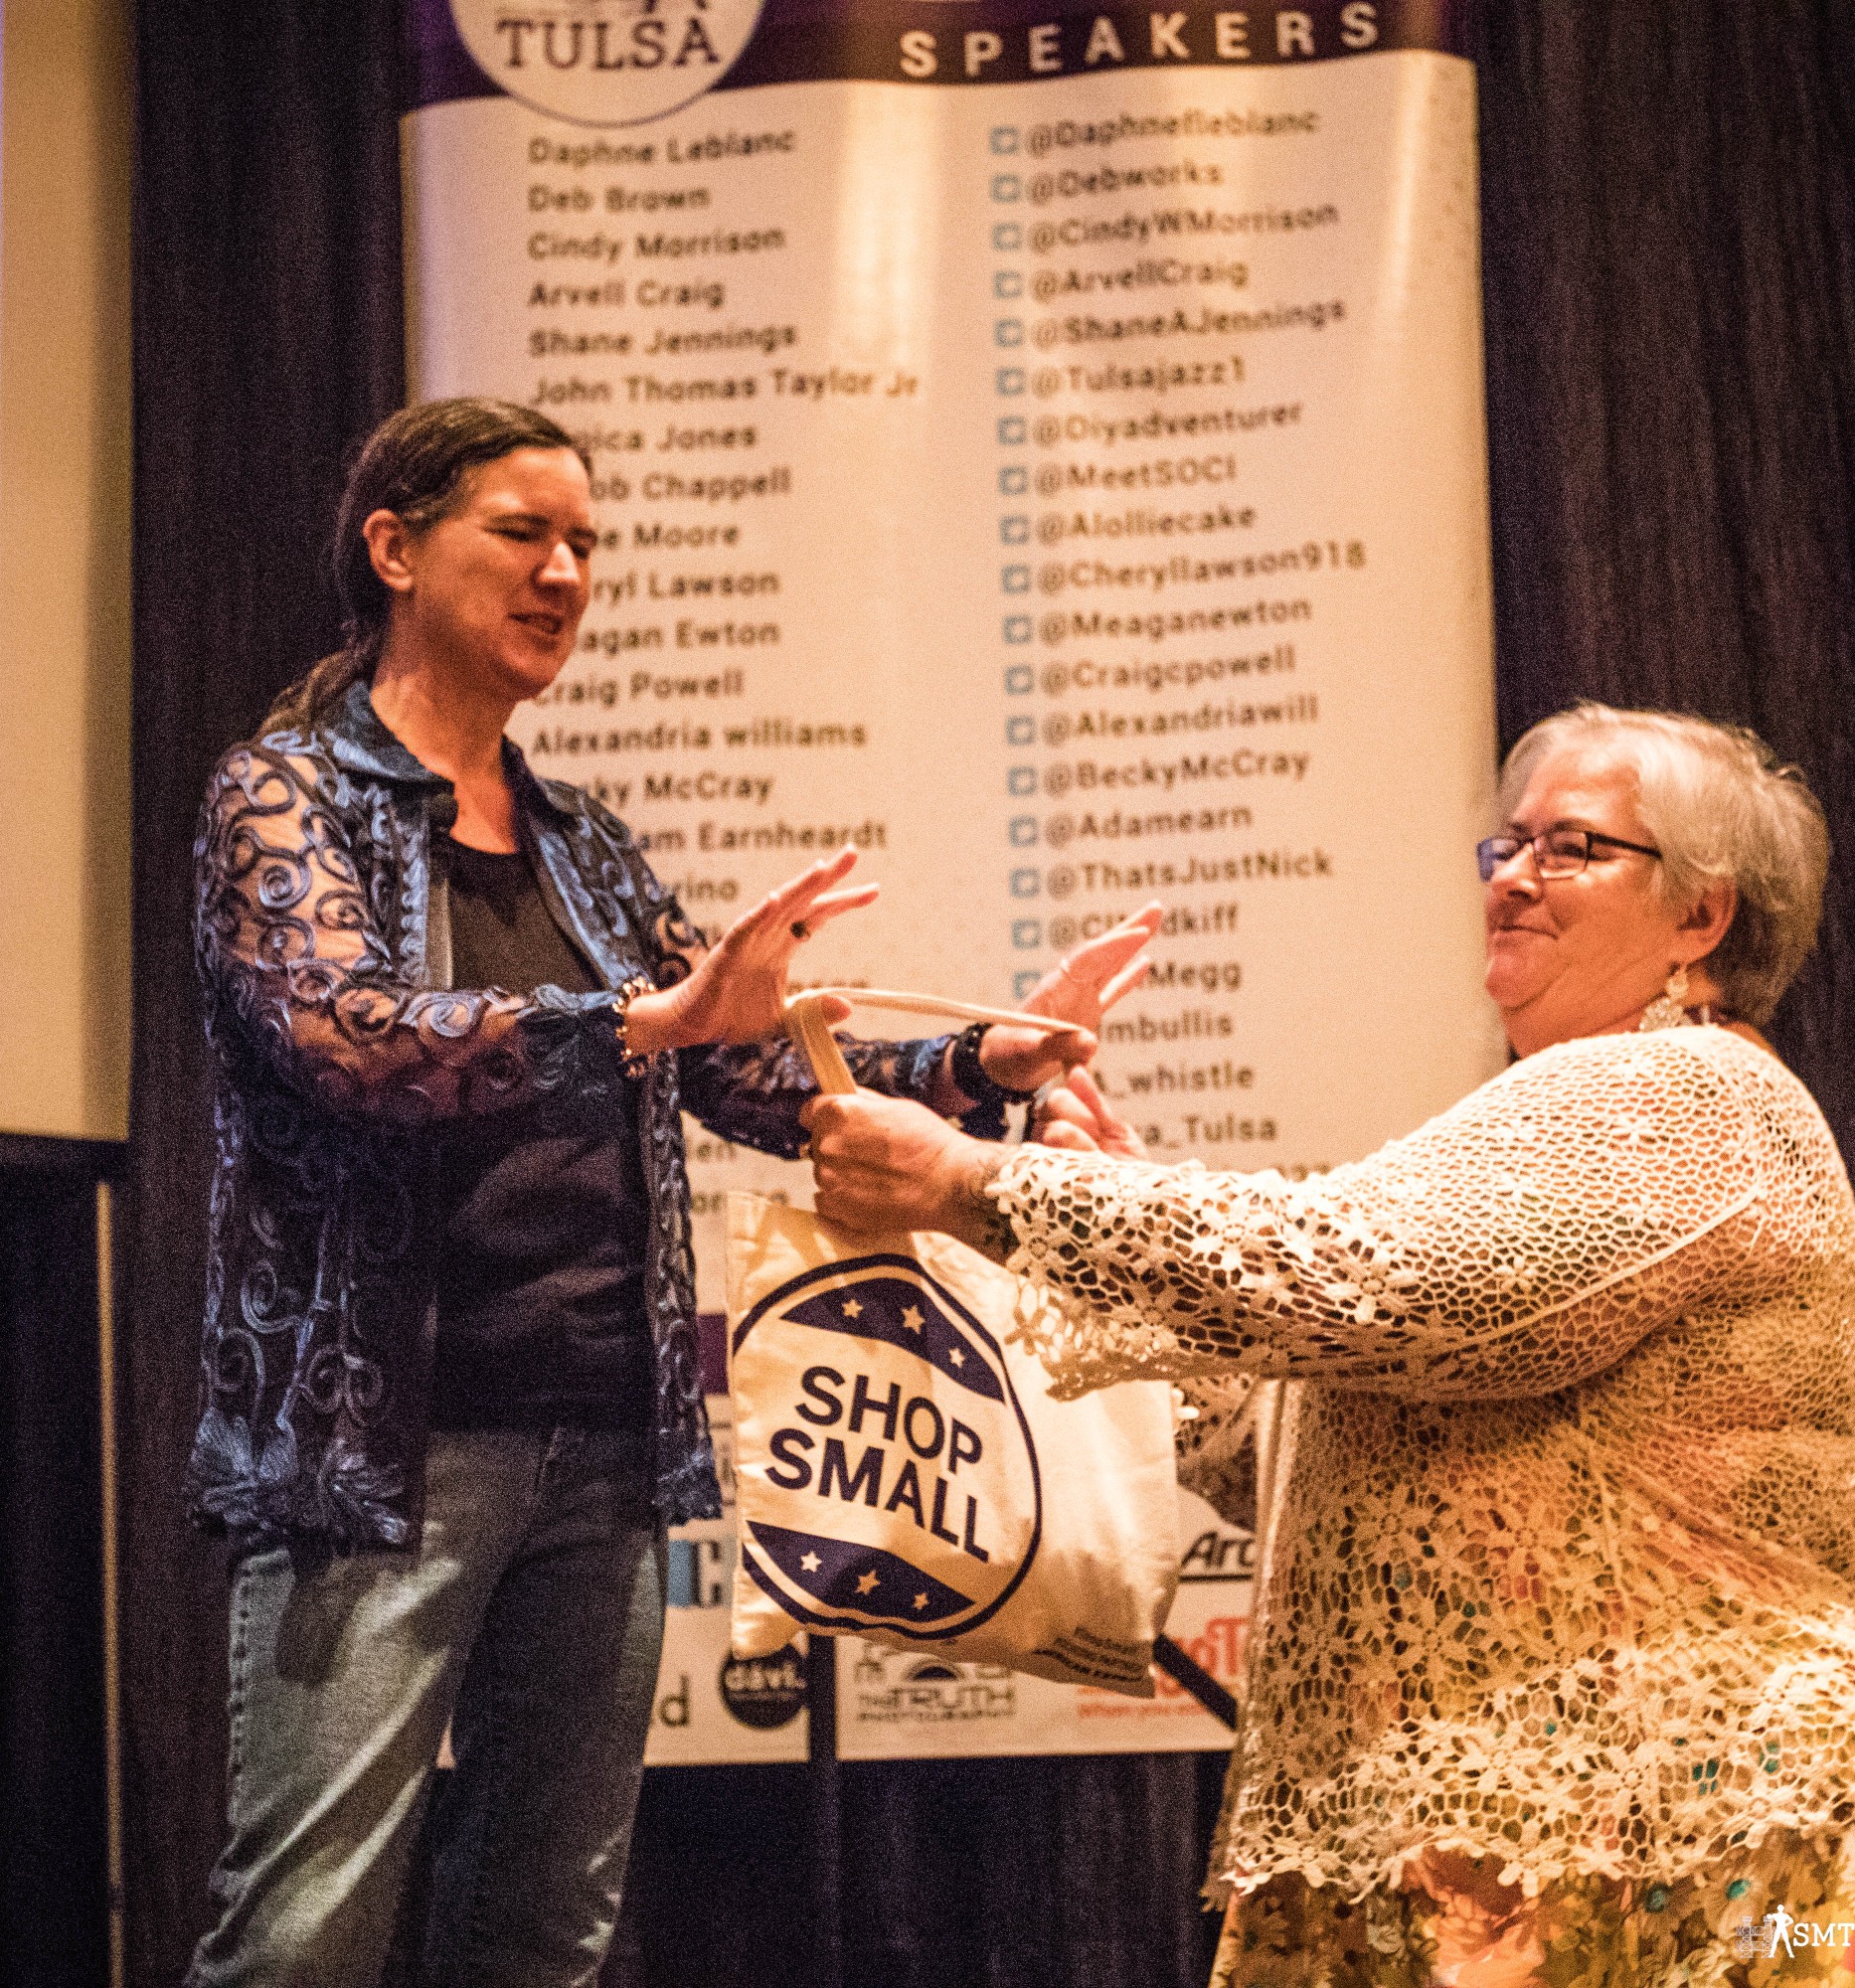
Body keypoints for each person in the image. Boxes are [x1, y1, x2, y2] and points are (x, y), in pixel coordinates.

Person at [184, 396, 1157, 1987]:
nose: (565, 572)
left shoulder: (582, 840)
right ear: (395, 549)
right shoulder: (285, 794)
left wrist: (981, 1058)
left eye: (586, 543)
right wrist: (639, 1023)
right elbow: (347, 1039)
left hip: (606, 1446)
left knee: (541, 1935)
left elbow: (742, 1069)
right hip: (381, 1454)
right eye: (524, 532)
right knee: (305, 1936)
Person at [805, 705, 1855, 1988]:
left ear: (1702, 916)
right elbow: (1289, 1443)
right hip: (1521, 1843)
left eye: (1573, 847)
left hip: (1696, 1830)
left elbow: (1365, 1276)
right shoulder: (1566, 1115)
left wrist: (982, 1184)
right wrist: (1104, 1222)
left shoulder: (1692, 1092)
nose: (1513, 878)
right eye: (1507, 845)